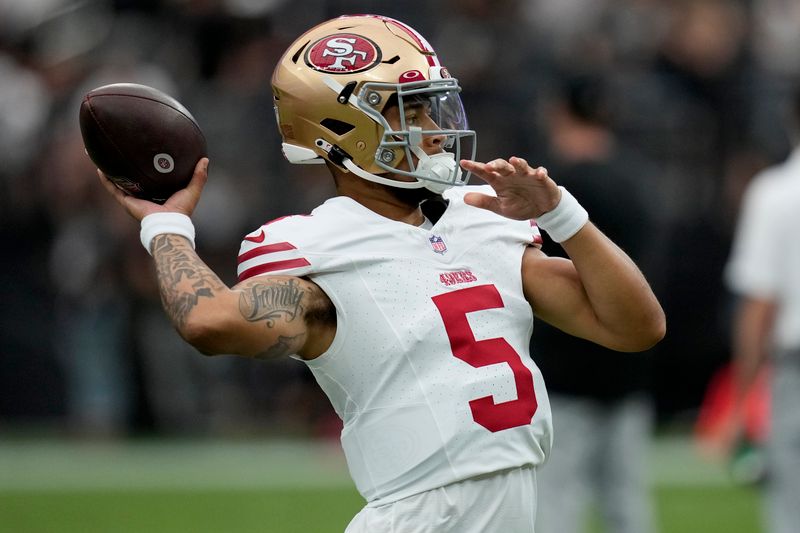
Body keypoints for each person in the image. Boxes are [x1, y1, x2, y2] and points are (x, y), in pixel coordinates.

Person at [96, 14, 665, 532]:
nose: (436, 129)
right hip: (419, 516)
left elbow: (636, 327)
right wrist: (166, 228)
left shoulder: (481, 222)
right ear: (340, 130)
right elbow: (206, 321)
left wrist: (563, 214)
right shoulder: (320, 247)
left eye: (435, 105)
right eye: (410, 110)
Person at [532, 74, 659, 533]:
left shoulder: (554, 188)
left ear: (558, 113)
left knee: (556, 502)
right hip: (627, 366)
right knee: (626, 502)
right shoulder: (638, 180)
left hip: (565, 367)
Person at [724, 85, 800, 533]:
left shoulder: (776, 194)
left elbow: (759, 305)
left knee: (791, 510)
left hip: (796, 370)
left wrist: (740, 400)